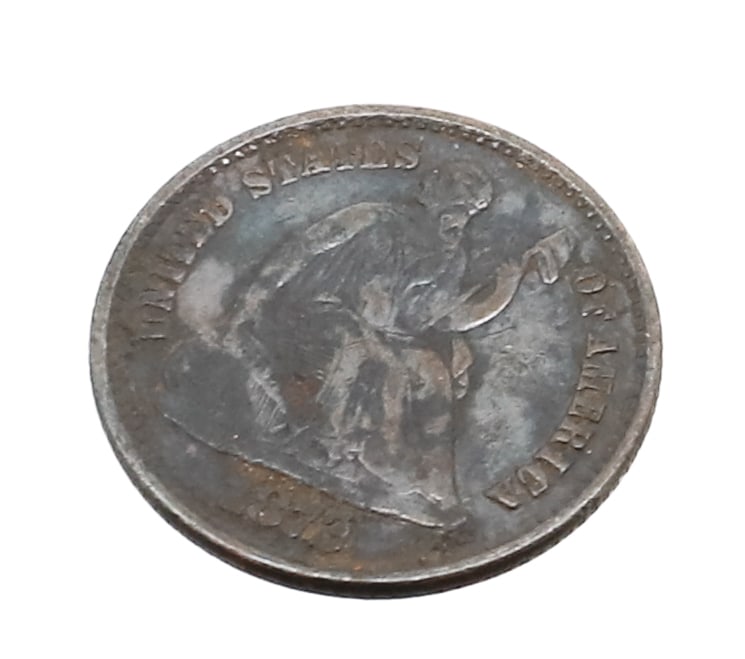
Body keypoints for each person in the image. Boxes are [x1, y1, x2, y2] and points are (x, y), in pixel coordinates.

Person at [163, 161, 573, 528]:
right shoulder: (371, 218)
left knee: (430, 370)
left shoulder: (450, 258)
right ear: (429, 195)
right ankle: (334, 446)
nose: (459, 216)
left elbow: (437, 319)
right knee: (366, 352)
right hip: (307, 314)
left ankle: (431, 485)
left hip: (375, 332)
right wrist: (251, 303)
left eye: (468, 210)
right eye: (455, 202)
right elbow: (299, 252)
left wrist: (504, 286)